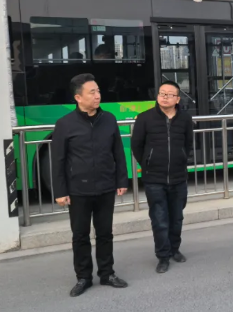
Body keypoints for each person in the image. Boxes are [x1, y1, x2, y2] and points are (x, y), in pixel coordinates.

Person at [51, 74, 129, 297]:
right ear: (78, 97)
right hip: (78, 190)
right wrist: (61, 191)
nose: (97, 96)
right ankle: (83, 277)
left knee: (105, 233)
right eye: (92, 92)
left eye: (98, 91)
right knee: (80, 235)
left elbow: (118, 152)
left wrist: (121, 180)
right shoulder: (65, 124)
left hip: (105, 186)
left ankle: (107, 273)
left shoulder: (109, 119)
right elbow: (58, 160)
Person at [131, 81, 194, 274]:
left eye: (169, 94)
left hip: (178, 177)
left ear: (178, 99)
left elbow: (188, 144)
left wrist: (180, 159)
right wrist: (148, 163)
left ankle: (175, 249)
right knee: (159, 219)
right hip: (154, 179)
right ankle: (163, 256)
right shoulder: (145, 118)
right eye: (162, 93)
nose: (165, 97)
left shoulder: (185, 119)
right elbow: (136, 145)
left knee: (177, 218)